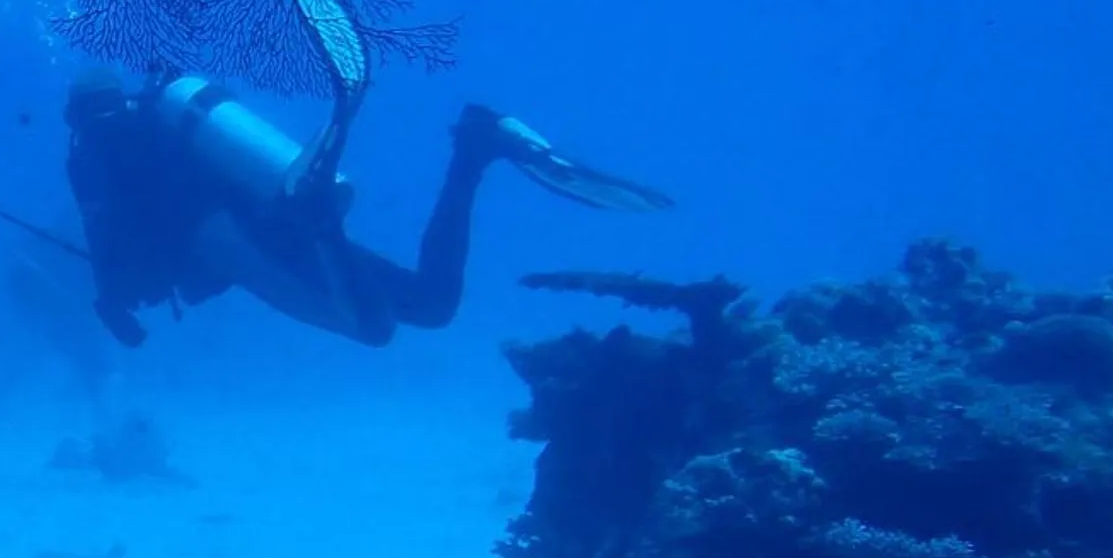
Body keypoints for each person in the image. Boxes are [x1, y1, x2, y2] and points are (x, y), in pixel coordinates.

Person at [61, 67, 670, 349]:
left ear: (76, 120)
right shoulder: (161, 128)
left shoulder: (91, 156)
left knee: (373, 329)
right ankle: (474, 149)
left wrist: (110, 299)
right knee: (430, 306)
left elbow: (105, 236)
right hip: (274, 214)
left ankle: (324, 220)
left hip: (226, 243)